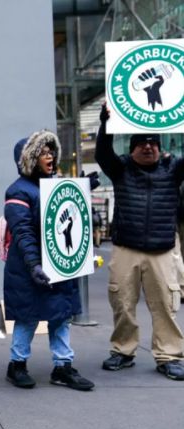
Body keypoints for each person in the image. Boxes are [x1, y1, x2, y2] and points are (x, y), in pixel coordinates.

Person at [96, 104, 184, 380]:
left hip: (162, 250)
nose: (148, 148)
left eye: (153, 144)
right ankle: (123, 350)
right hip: (126, 248)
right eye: (142, 144)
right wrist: (105, 123)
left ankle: (169, 355)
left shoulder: (172, 169)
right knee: (122, 302)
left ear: (160, 147)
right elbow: (101, 154)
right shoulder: (120, 169)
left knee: (166, 307)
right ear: (132, 148)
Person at [4, 130, 94, 392]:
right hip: (29, 268)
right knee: (27, 317)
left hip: (58, 265)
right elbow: (23, 232)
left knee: (60, 315)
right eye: (43, 152)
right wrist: (34, 265)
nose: (50, 156)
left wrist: (86, 189)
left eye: (51, 151)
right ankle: (17, 365)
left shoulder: (53, 186)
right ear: (29, 160)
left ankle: (63, 366)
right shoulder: (18, 191)